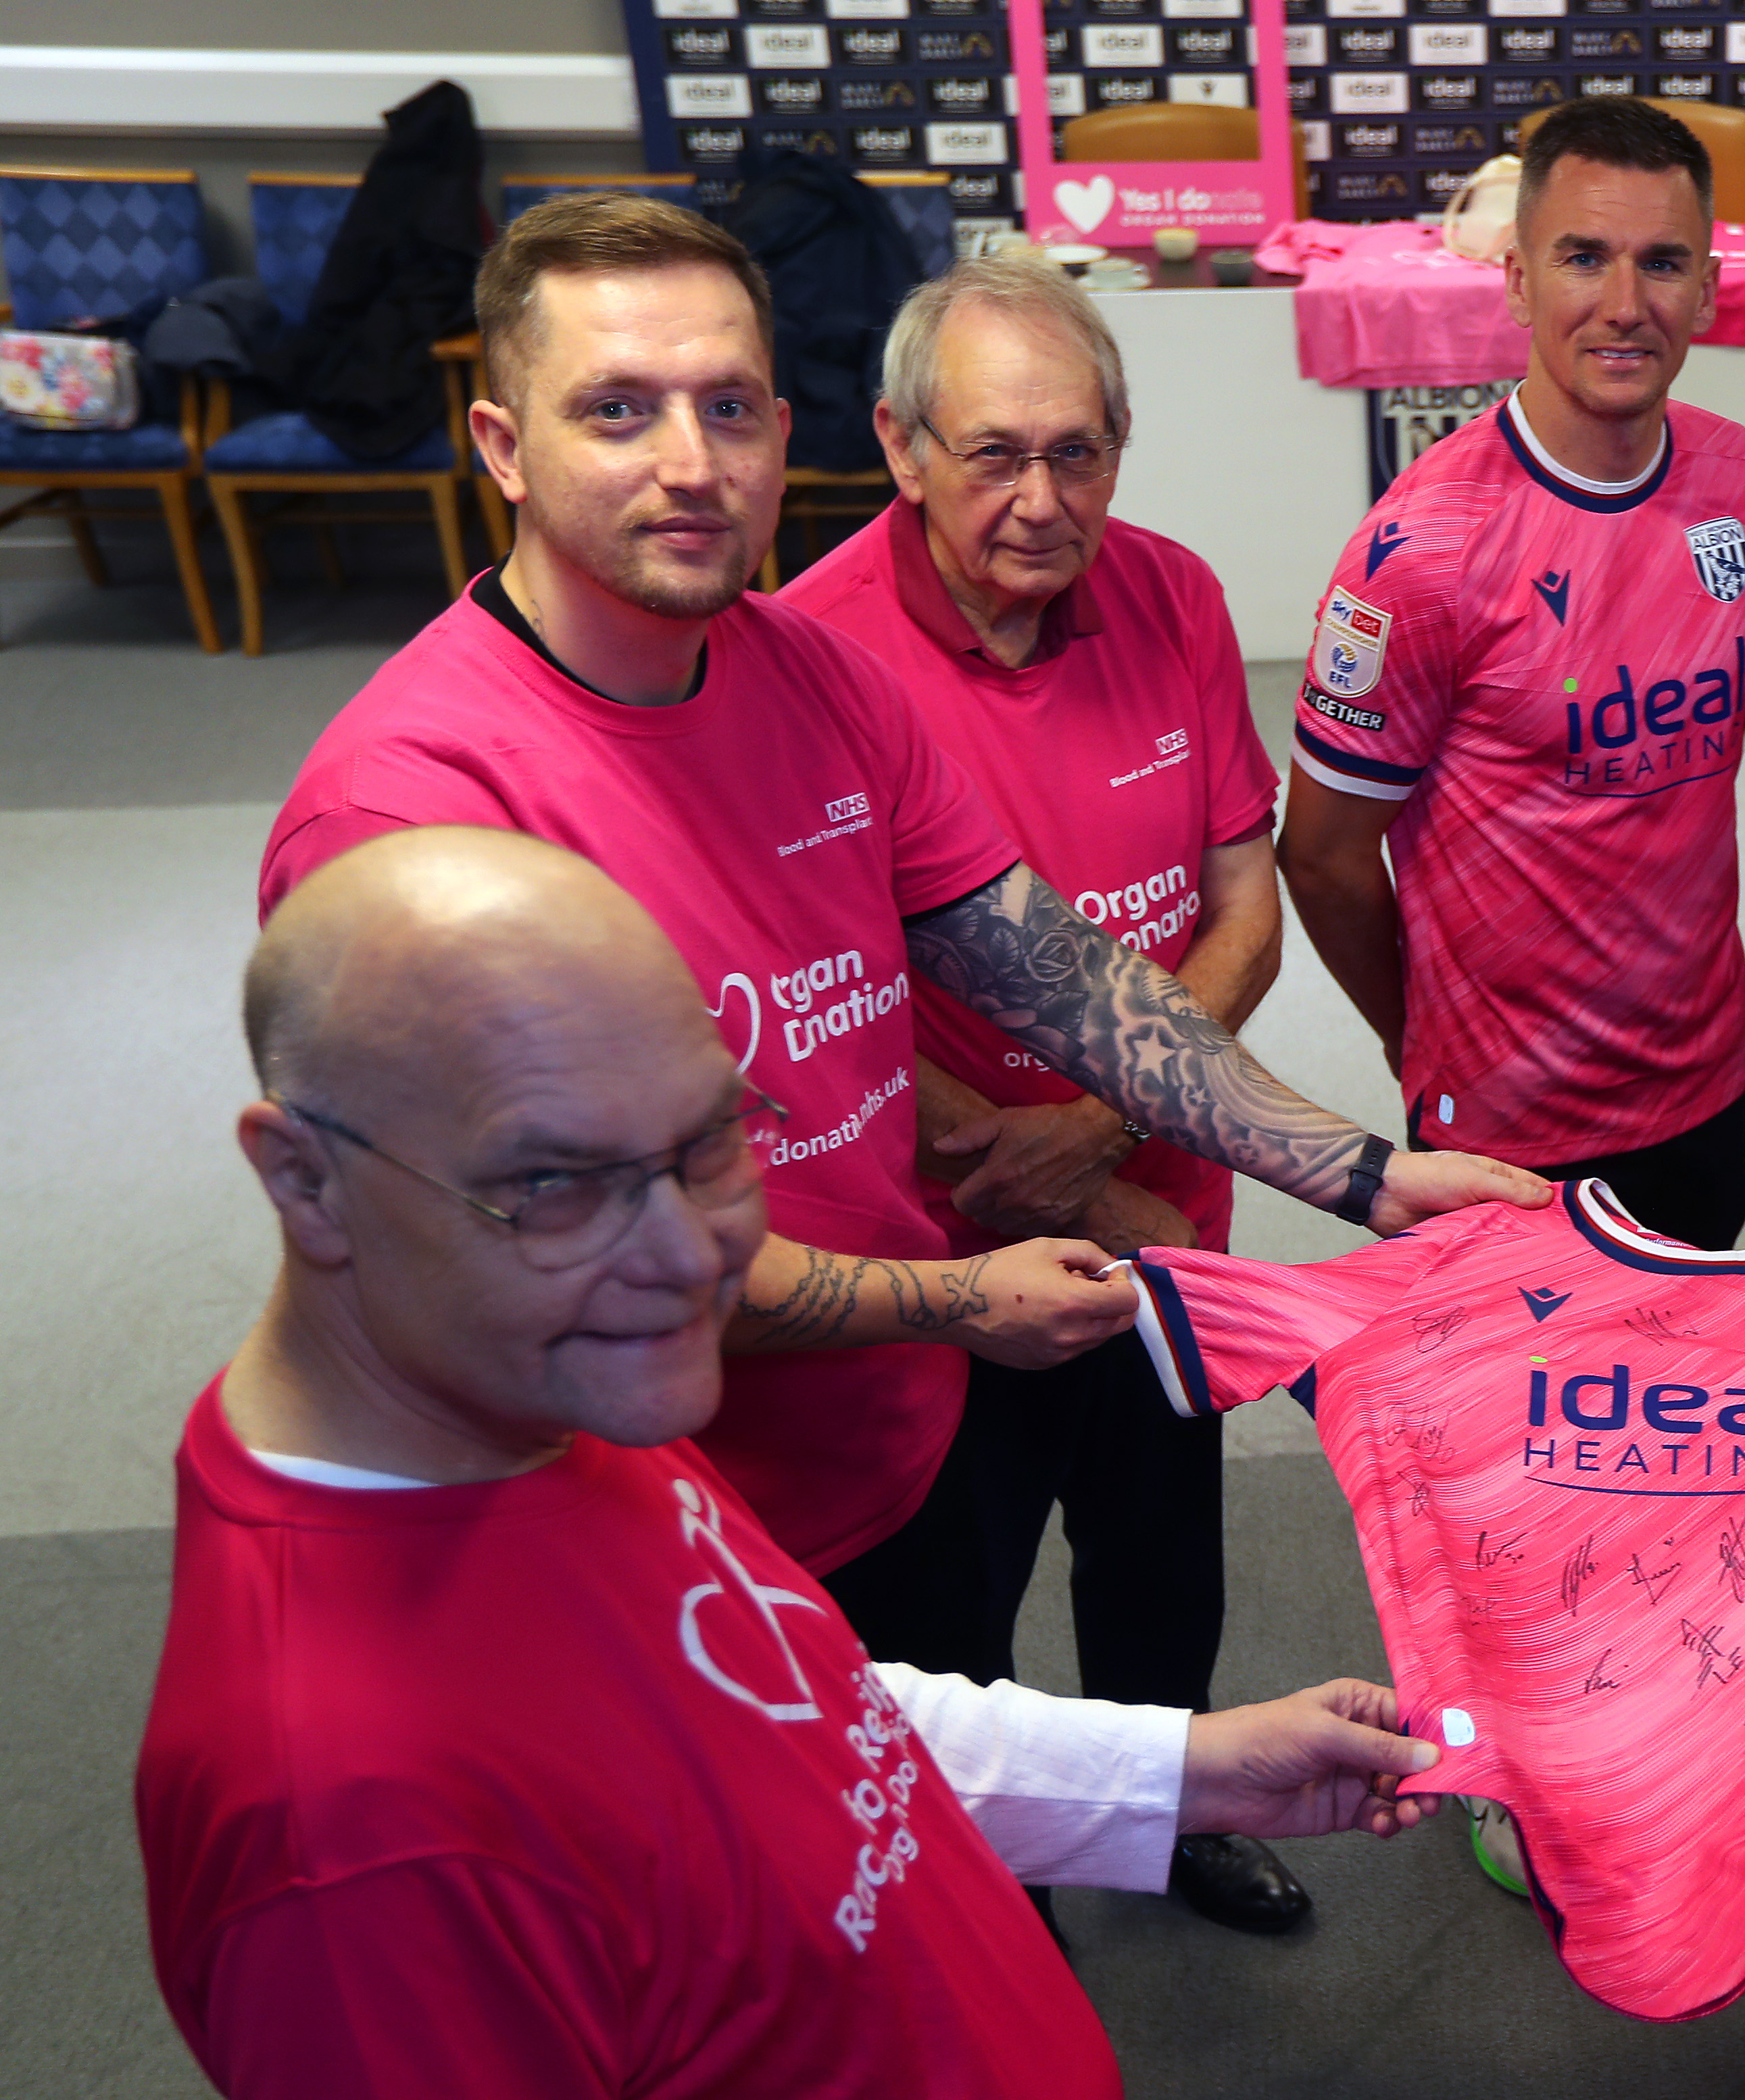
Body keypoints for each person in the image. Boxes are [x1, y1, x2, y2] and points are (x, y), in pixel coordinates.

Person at [256, 197, 1544, 1632]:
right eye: (616, 411)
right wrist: (953, 1299)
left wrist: (1365, 1175)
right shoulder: (408, 815)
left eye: (728, 407)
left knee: (971, 1819)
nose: (690, 465)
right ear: (503, 444)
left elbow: (1061, 980)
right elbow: (576, 1262)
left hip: (893, 1436)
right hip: (647, 1521)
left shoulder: (816, 680)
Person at [141, 826, 1445, 2098]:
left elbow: (783, 1717)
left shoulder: (528, 1392)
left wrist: (1186, 1767)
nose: (690, 1255)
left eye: (713, 1142)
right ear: (302, 1180)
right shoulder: (346, 1840)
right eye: (553, 1183)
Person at [777, 251, 1304, 1934]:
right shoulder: (802, 659)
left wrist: (1098, 1134)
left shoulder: (1174, 594)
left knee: (1160, 1554)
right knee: (950, 1605)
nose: (1038, 496)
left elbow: (1245, 906)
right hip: (945, 1257)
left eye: (1076, 451)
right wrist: (1060, 1167)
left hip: (1157, 1211)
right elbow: (826, 1007)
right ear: (898, 445)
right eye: (992, 451)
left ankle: (1171, 1817)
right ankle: (992, 1892)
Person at [1277, 96, 1745, 1252]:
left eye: (1663, 263)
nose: (1625, 305)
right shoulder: (1421, 554)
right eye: (1583, 258)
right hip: (1501, 1134)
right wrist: (1428, 1038)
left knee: (1688, 1415)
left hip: (1705, 1084)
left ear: (1707, 290)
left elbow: (1701, 761)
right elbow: (1318, 853)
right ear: (1517, 282)